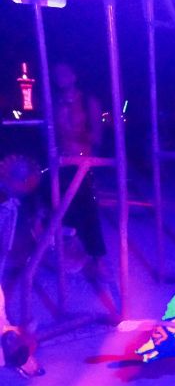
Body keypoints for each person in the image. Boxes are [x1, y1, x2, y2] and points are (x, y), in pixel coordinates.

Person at [52, 63, 107, 282]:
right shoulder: (54, 102)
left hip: (82, 162)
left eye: (65, 73)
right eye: (57, 74)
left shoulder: (88, 102)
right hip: (61, 162)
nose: (60, 77)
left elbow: (98, 137)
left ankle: (98, 258)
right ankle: (71, 248)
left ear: (74, 75)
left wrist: (76, 141)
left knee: (87, 207)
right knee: (54, 202)